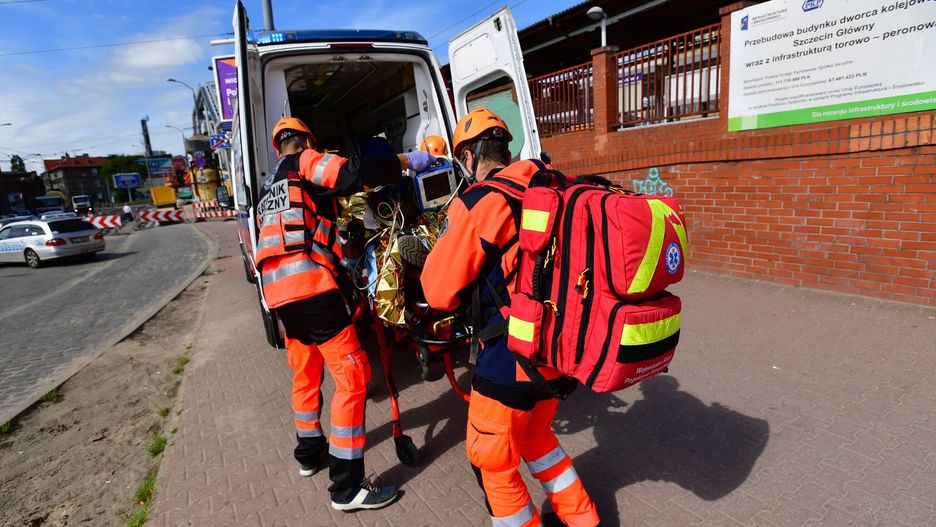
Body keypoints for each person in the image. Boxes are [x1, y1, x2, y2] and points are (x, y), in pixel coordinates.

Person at [420, 108, 600, 527]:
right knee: (538, 440)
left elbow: (438, 291)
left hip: (509, 362)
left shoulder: (480, 202)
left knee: (493, 466)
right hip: (558, 354)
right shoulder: (554, 184)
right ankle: (584, 520)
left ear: (469, 156)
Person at [256, 116, 434, 511]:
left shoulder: (270, 186)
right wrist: (407, 160)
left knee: (306, 373)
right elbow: (356, 172)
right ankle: (347, 488)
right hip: (310, 290)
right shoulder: (305, 162)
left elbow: (301, 231)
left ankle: (309, 454)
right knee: (353, 377)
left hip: (279, 295)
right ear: (305, 140)